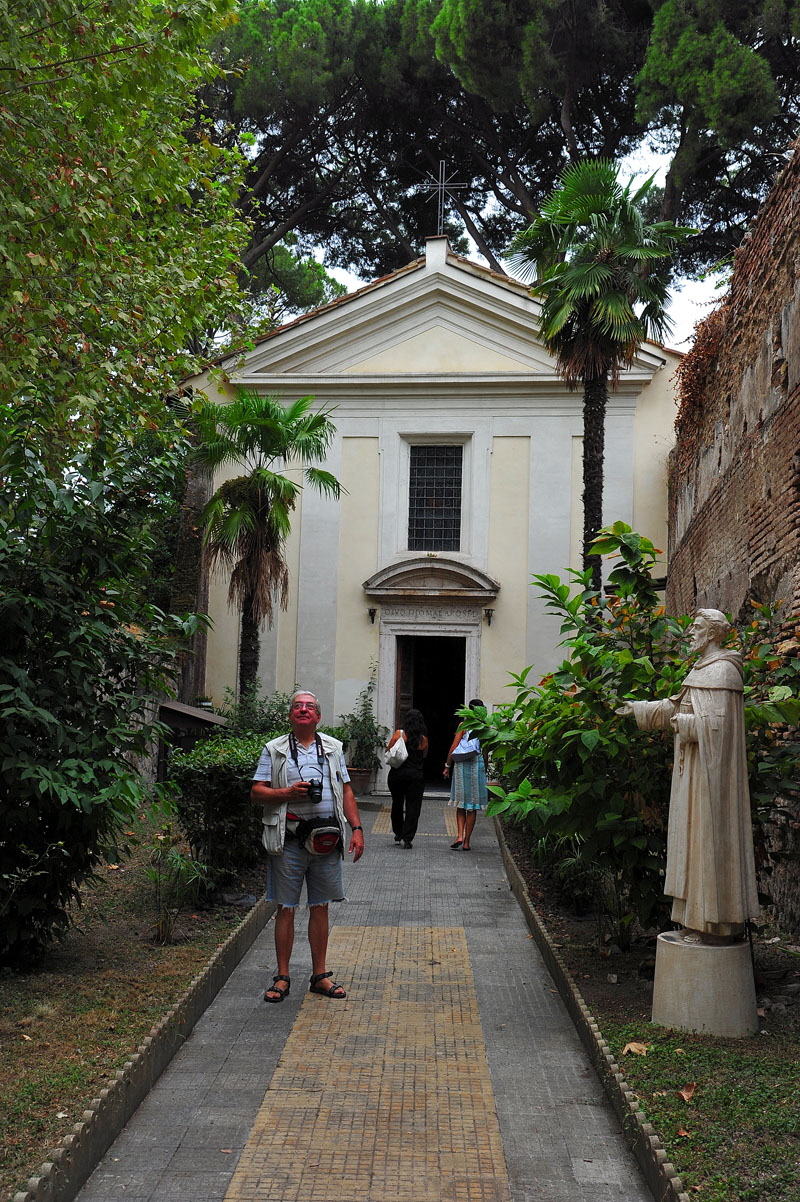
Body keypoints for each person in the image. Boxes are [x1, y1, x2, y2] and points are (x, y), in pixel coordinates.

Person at [616, 609, 759, 942]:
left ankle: (716, 927)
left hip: (712, 777)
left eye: (695, 627)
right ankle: (697, 921)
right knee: (695, 842)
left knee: (708, 841)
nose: (690, 632)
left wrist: (685, 725)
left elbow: (718, 728)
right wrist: (636, 708)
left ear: (710, 634)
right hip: (695, 772)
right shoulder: (702, 670)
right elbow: (675, 706)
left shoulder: (724, 672)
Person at [251, 690, 365, 1002]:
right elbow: (257, 792)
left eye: (310, 707)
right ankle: (282, 977)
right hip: (288, 840)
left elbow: (346, 790)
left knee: (320, 906)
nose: (304, 710)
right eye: (298, 706)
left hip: (325, 840)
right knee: (286, 908)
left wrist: (356, 829)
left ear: (318, 717)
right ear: (290, 716)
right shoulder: (274, 749)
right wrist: (287, 793)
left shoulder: (332, 748)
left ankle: (320, 976)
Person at [443, 699, 488, 851]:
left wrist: (447, 765)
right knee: (472, 807)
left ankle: (459, 835)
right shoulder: (485, 727)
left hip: (462, 765)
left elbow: (454, 746)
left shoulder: (464, 725)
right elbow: (486, 751)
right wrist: (485, 767)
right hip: (477, 764)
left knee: (461, 804)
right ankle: (467, 841)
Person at [386, 708, 429, 849]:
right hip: (415, 777)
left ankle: (398, 833)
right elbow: (423, 756)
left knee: (397, 803)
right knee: (413, 807)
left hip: (397, 775)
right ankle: (408, 838)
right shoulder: (423, 740)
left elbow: (389, 750)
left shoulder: (399, 734)